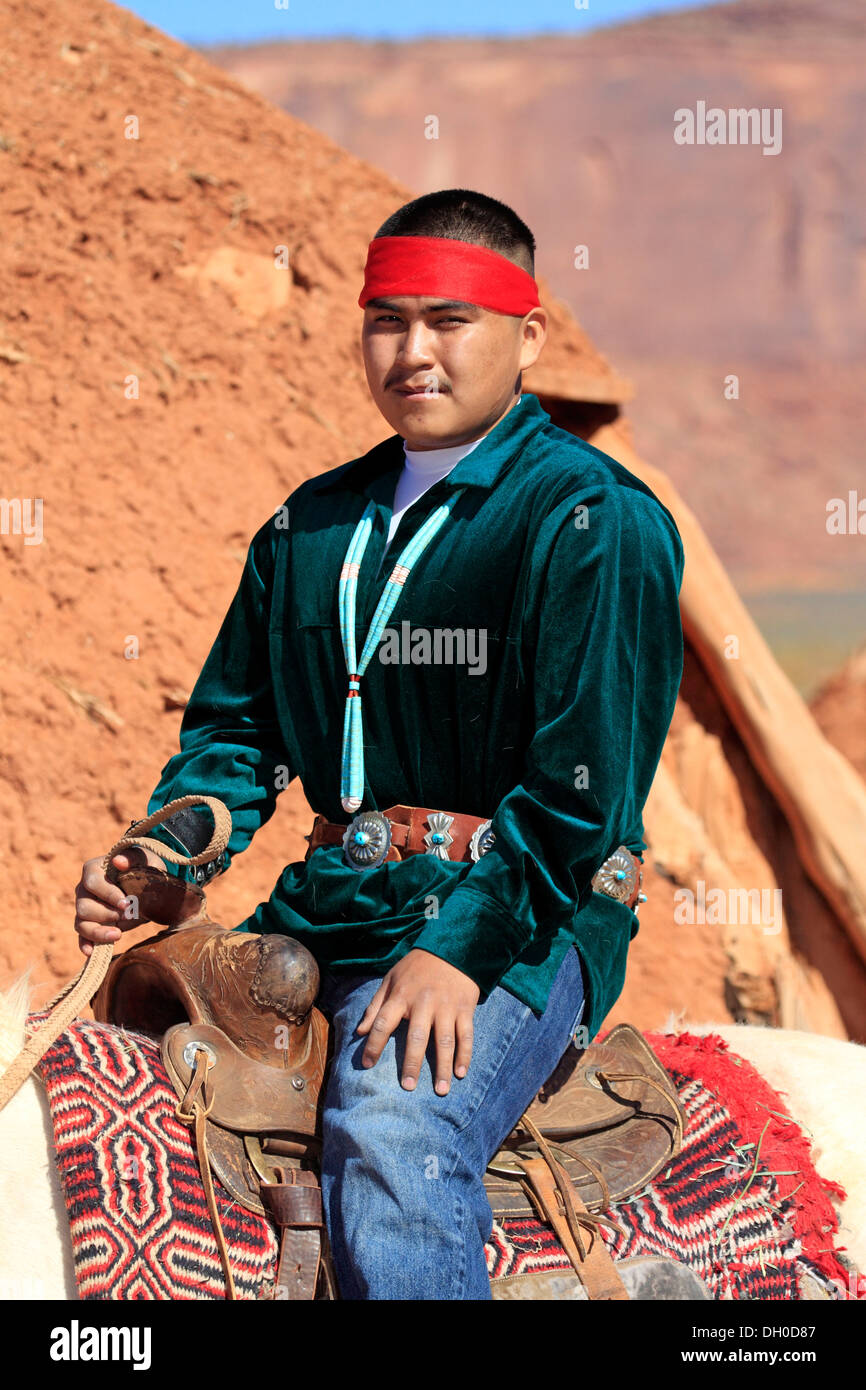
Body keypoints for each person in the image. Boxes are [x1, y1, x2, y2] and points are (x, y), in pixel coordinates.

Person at [74, 188, 685, 1300]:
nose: (412, 351)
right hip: (326, 910)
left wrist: (461, 951)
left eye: (447, 322)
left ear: (525, 337)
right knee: (103, 1065)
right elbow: (237, 735)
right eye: (385, 320)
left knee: (393, 1129)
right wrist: (167, 855)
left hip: (522, 928)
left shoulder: (591, 518)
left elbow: (581, 788)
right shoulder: (308, 525)